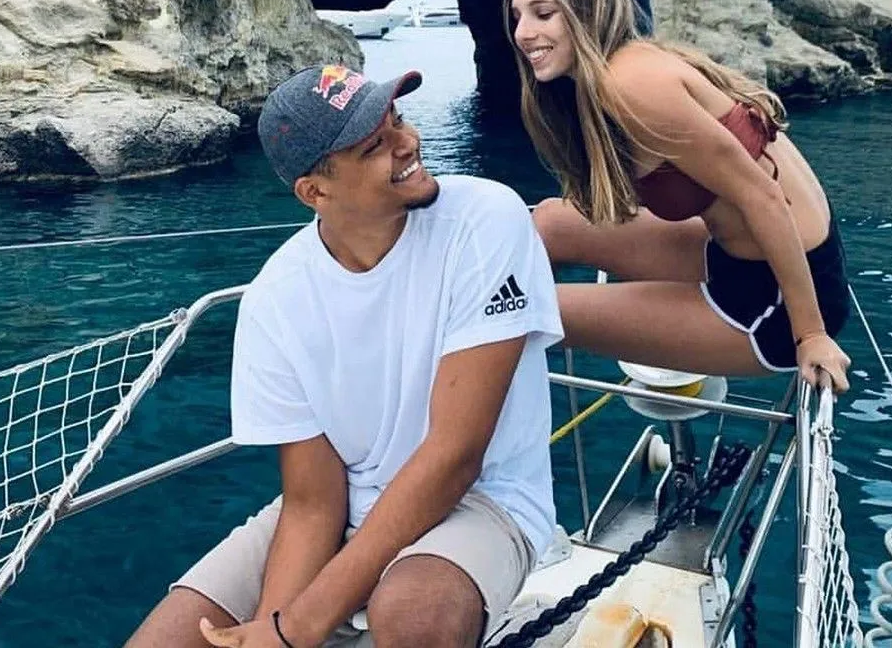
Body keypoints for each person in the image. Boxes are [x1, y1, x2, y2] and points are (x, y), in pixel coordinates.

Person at [124, 63, 563, 648]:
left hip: (484, 499)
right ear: (315, 192)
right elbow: (312, 504)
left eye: (398, 120)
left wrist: (297, 627)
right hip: (342, 509)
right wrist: (275, 629)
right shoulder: (275, 300)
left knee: (412, 614)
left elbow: (455, 456)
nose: (408, 143)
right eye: (375, 145)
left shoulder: (485, 220)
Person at [503, 0, 852, 393]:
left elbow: (763, 196)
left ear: (588, 10)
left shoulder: (632, 87)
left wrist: (811, 335)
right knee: (549, 220)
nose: (523, 33)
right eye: (518, 17)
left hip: (778, 303)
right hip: (735, 252)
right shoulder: (629, 61)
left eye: (543, 14)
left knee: (522, 311)